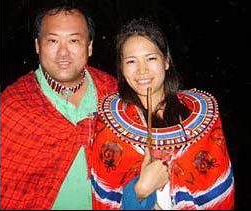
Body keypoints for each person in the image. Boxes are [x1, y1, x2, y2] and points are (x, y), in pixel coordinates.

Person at [91, 17, 235, 210]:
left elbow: (217, 191)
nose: (142, 70)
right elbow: (106, 199)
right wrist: (140, 191)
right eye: (131, 61)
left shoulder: (200, 119)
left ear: (166, 61)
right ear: (121, 68)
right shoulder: (109, 124)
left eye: (151, 58)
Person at [0, 0, 117, 210]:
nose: (63, 53)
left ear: (89, 47)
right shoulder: (12, 107)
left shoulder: (113, 93)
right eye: (53, 41)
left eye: (73, 41)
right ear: (37, 45)